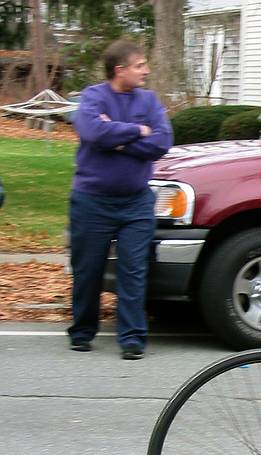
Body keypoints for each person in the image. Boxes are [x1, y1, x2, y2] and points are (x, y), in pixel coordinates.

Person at [67, 40, 173, 360]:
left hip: (136, 202)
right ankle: (83, 330)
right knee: (88, 270)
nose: (147, 71)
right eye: (140, 65)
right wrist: (138, 131)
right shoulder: (93, 96)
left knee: (133, 270)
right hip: (91, 200)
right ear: (120, 70)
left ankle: (132, 338)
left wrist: (120, 140)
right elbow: (93, 133)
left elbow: (162, 141)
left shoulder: (149, 100)